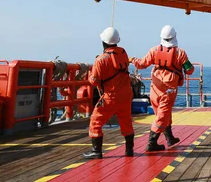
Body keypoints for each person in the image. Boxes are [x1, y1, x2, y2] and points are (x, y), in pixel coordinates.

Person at [130, 25, 195, 151]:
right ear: (175, 37)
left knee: (162, 113)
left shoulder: (154, 50)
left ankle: (170, 138)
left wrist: (132, 59)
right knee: (163, 114)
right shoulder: (180, 53)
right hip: (169, 89)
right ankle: (152, 142)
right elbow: (190, 70)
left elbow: (141, 64)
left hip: (155, 88)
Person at [83, 27, 134, 159]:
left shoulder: (100, 60)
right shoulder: (123, 53)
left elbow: (94, 81)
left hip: (110, 97)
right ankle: (129, 150)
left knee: (96, 121)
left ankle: (96, 151)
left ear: (103, 42)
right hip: (126, 95)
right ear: (117, 40)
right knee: (126, 121)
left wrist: (90, 74)